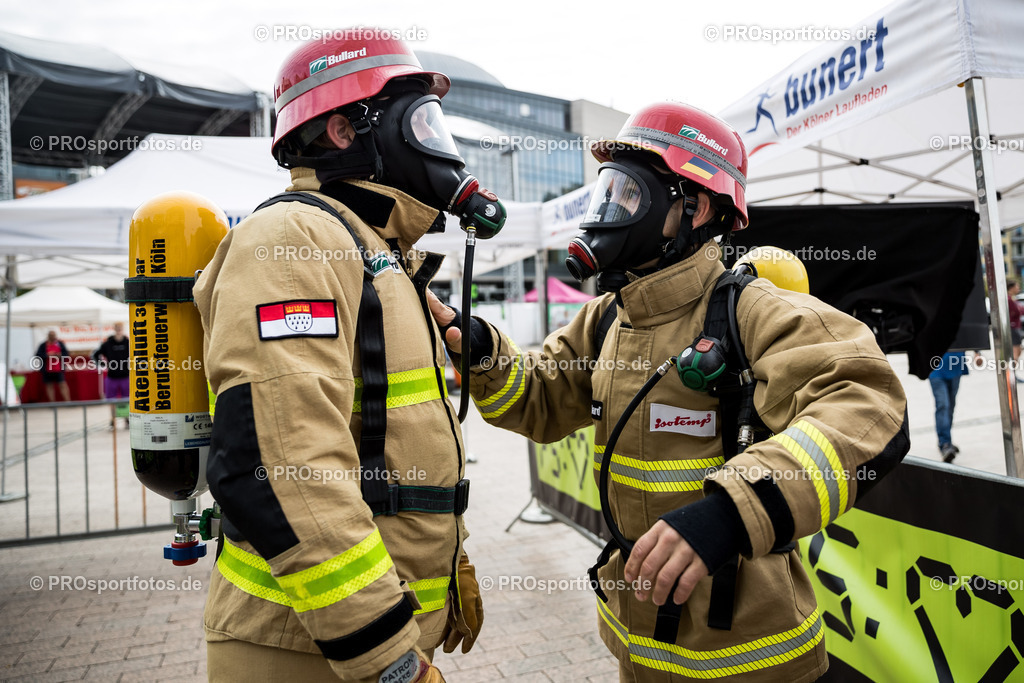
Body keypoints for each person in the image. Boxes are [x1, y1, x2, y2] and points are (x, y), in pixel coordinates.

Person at [429, 102, 910, 682]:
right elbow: (538, 400)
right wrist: (483, 350)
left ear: (694, 206)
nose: (607, 211)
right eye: (606, 192)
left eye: (627, 194)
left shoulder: (751, 311)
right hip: (640, 641)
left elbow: (868, 402)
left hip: (749, 655)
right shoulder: (609, 318)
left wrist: (731, 514)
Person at [194, 31, 499, 683]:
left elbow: (388, 444)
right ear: (343, 129)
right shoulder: (292, 238)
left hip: (351, 640)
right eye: (420, 122)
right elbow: (284, 464)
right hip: (304, 649)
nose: (437, 143)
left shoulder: (373, 251)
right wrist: (389, 661)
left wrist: (446, 561)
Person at [929, 350, 983, 462]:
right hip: (936, 368)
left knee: (950, 406)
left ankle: (946, 439)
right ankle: (945, 443)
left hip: (955, 366)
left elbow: (969, 337)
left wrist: (977, 352)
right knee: (943, 405)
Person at [93, 322, 130, 429]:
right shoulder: (108, 343)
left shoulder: (128, 342)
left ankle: (126, 419)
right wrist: (102, 364)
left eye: (120, 328)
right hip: (112, 376)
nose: (118, 329)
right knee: (112, 400)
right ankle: (113, 420)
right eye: (117, 328)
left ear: (123, 328)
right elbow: (96, 354)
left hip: (125, 375)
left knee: (126, 399)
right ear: (114, 329)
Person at [35, 330, 71, 402]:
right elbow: (38, 355)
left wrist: (60, 355)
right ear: (48, 336)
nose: (52, 337)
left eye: (53, 335)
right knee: (49, 386)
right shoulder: (43, 345)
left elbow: (66, 354)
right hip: (47, 369)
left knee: (62, 385)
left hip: (59, 369)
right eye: (51, 335)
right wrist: (47, 355)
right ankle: (52, 403)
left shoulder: (60, 344)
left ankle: (68, 401)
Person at [1007, 280, 1023, 380]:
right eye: (1017, 286)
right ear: (1011, 287)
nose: (1018, 288)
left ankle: (1012, 374)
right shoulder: (1008, 299)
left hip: (1015, 328)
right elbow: (1017, 311)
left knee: (1018, 351)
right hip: (1013, 328)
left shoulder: (1012, 299)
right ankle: (1012, 375)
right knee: (1015, 353)